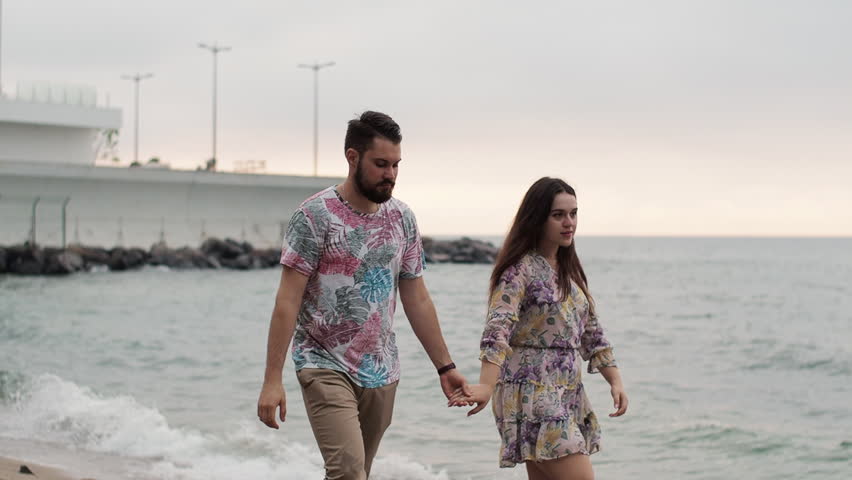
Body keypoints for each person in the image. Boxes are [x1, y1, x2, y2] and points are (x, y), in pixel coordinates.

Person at [257, 111, 469, 480]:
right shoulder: (313, 216)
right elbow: (287, 300)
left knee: (357, 474)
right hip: (323, 362)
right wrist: (272, 379)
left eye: (396, 164)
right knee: (348, 471)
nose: (391, 174)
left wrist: (445, 367)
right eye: (381, 164)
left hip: (381, 370)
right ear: (352, 157)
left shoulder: (402, 218)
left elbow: (416, 298)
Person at [449, 177, 628, 480]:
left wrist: (615, 380)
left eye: (573, 213)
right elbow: (497, 329)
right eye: (558, 215)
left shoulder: (568, 270)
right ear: (537, 217)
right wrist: (486, 385)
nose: (568, 222)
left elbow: (591, 332)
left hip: (566, 390)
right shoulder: (519, 270)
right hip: (530, 392)